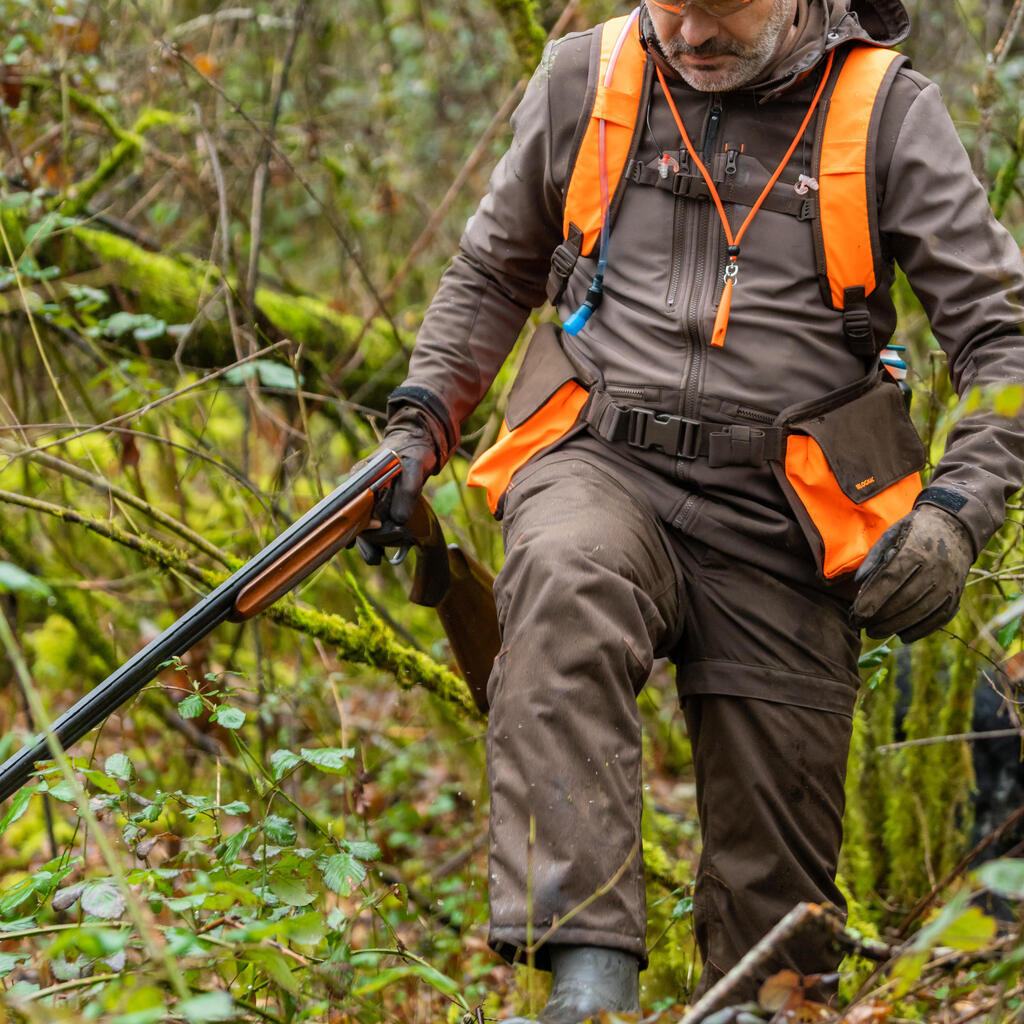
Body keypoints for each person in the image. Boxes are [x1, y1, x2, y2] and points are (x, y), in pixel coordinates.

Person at [368, 0, 1024, 1019]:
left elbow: (1000, 335)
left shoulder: (888, 113)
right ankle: (585, 986)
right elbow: (494, 268)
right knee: (566, 578)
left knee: (778, 919)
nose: (687, 33)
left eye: (719, 11)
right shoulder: (585, 76)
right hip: (598, 459)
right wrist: (420, 422)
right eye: (669, 6)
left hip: (786, 520)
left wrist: (955, 510)